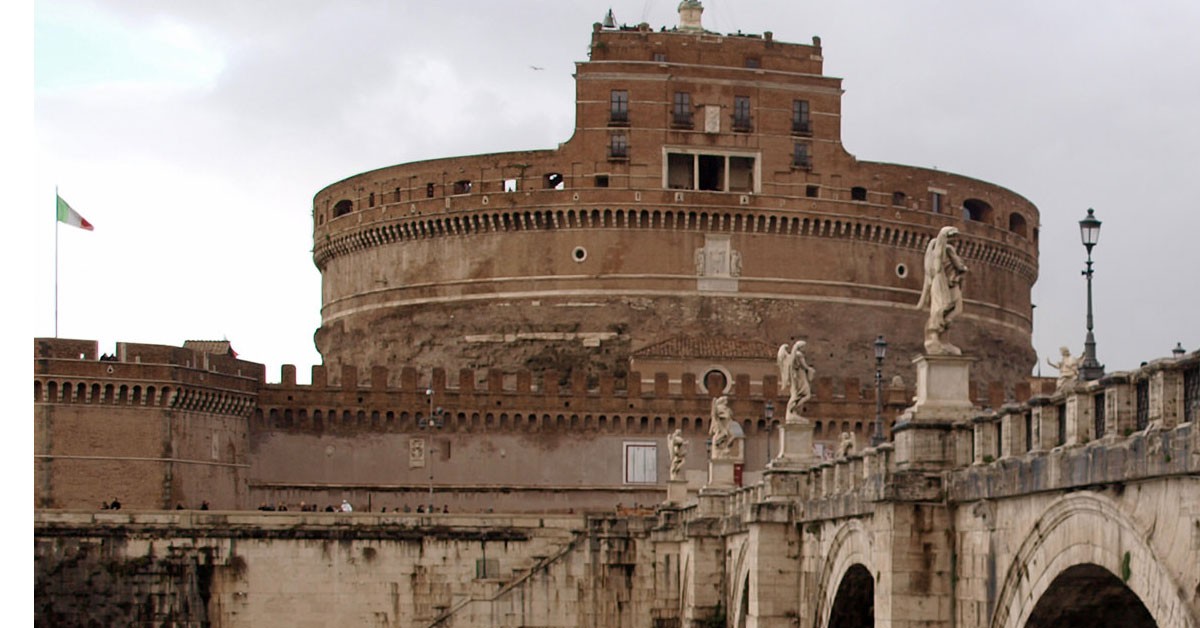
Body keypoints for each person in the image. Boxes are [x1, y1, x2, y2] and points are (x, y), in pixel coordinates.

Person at [916, 226, 968, 355]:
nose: (955, 239)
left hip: (943, 283)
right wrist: (964, 268)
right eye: (953, 236)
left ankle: (941, 338)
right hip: (945, 284)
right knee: (946, 309)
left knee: (943, 310)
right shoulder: (947, 249)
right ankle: (935, 335)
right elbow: (959, 266)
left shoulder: (936, 251)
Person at [777, 341, 815, 422]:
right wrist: (810, 369)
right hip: (800, 378)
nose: (805, 349)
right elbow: (804, 366)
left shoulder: (792, 355)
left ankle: (792, 412)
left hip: (797, 378)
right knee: (806, 395)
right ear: (801, 347)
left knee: (796, 395)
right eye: (804, 347)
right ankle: (792, 410)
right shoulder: (799, 355)